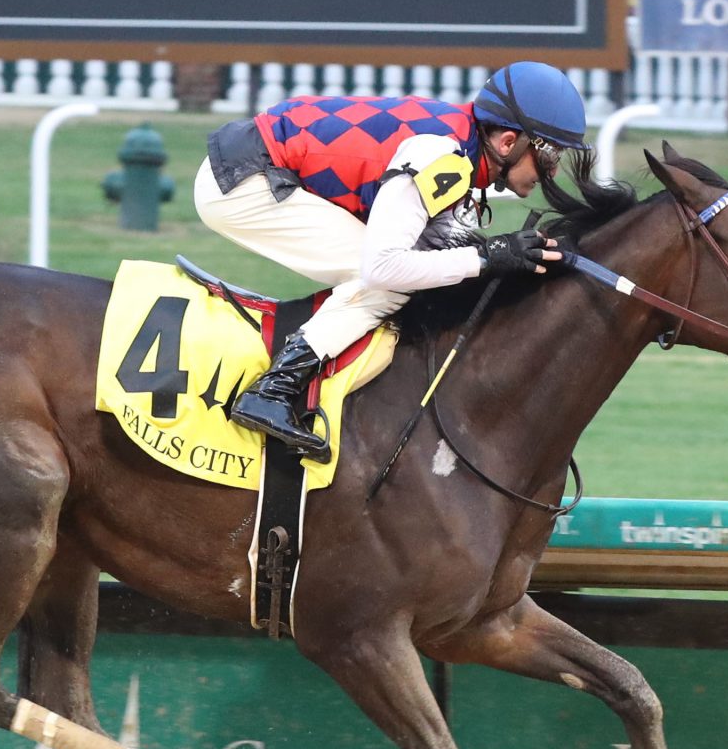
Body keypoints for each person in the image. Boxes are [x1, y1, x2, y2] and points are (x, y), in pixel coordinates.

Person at [192, 61, 587, 461]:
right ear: (507, 142)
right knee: (391, 282)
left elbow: (440, 253)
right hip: (244, 182)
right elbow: (385, 267)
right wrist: (489, 256)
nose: (552, 172)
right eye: (551, 155)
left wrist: (504, 260)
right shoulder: (443, 155)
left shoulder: (461, 146)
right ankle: (273, 389)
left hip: (258, 163)